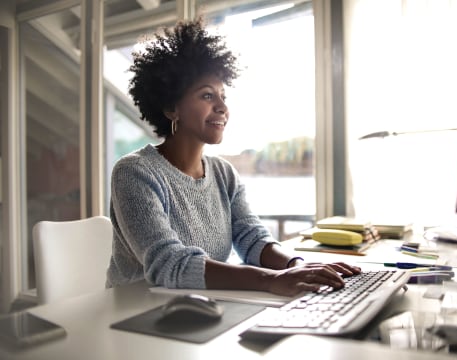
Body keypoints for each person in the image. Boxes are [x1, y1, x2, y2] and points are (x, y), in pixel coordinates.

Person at [106, 18, 361, 297]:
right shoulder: (134, 172)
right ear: (170, 107)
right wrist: (270, 280)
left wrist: (298, 265)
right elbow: (168, 264)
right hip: (136, 313)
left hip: (203, 308)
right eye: (207, 96)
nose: (222, 108)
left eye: (222, 96)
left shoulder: (223, 174)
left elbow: (252, 239)